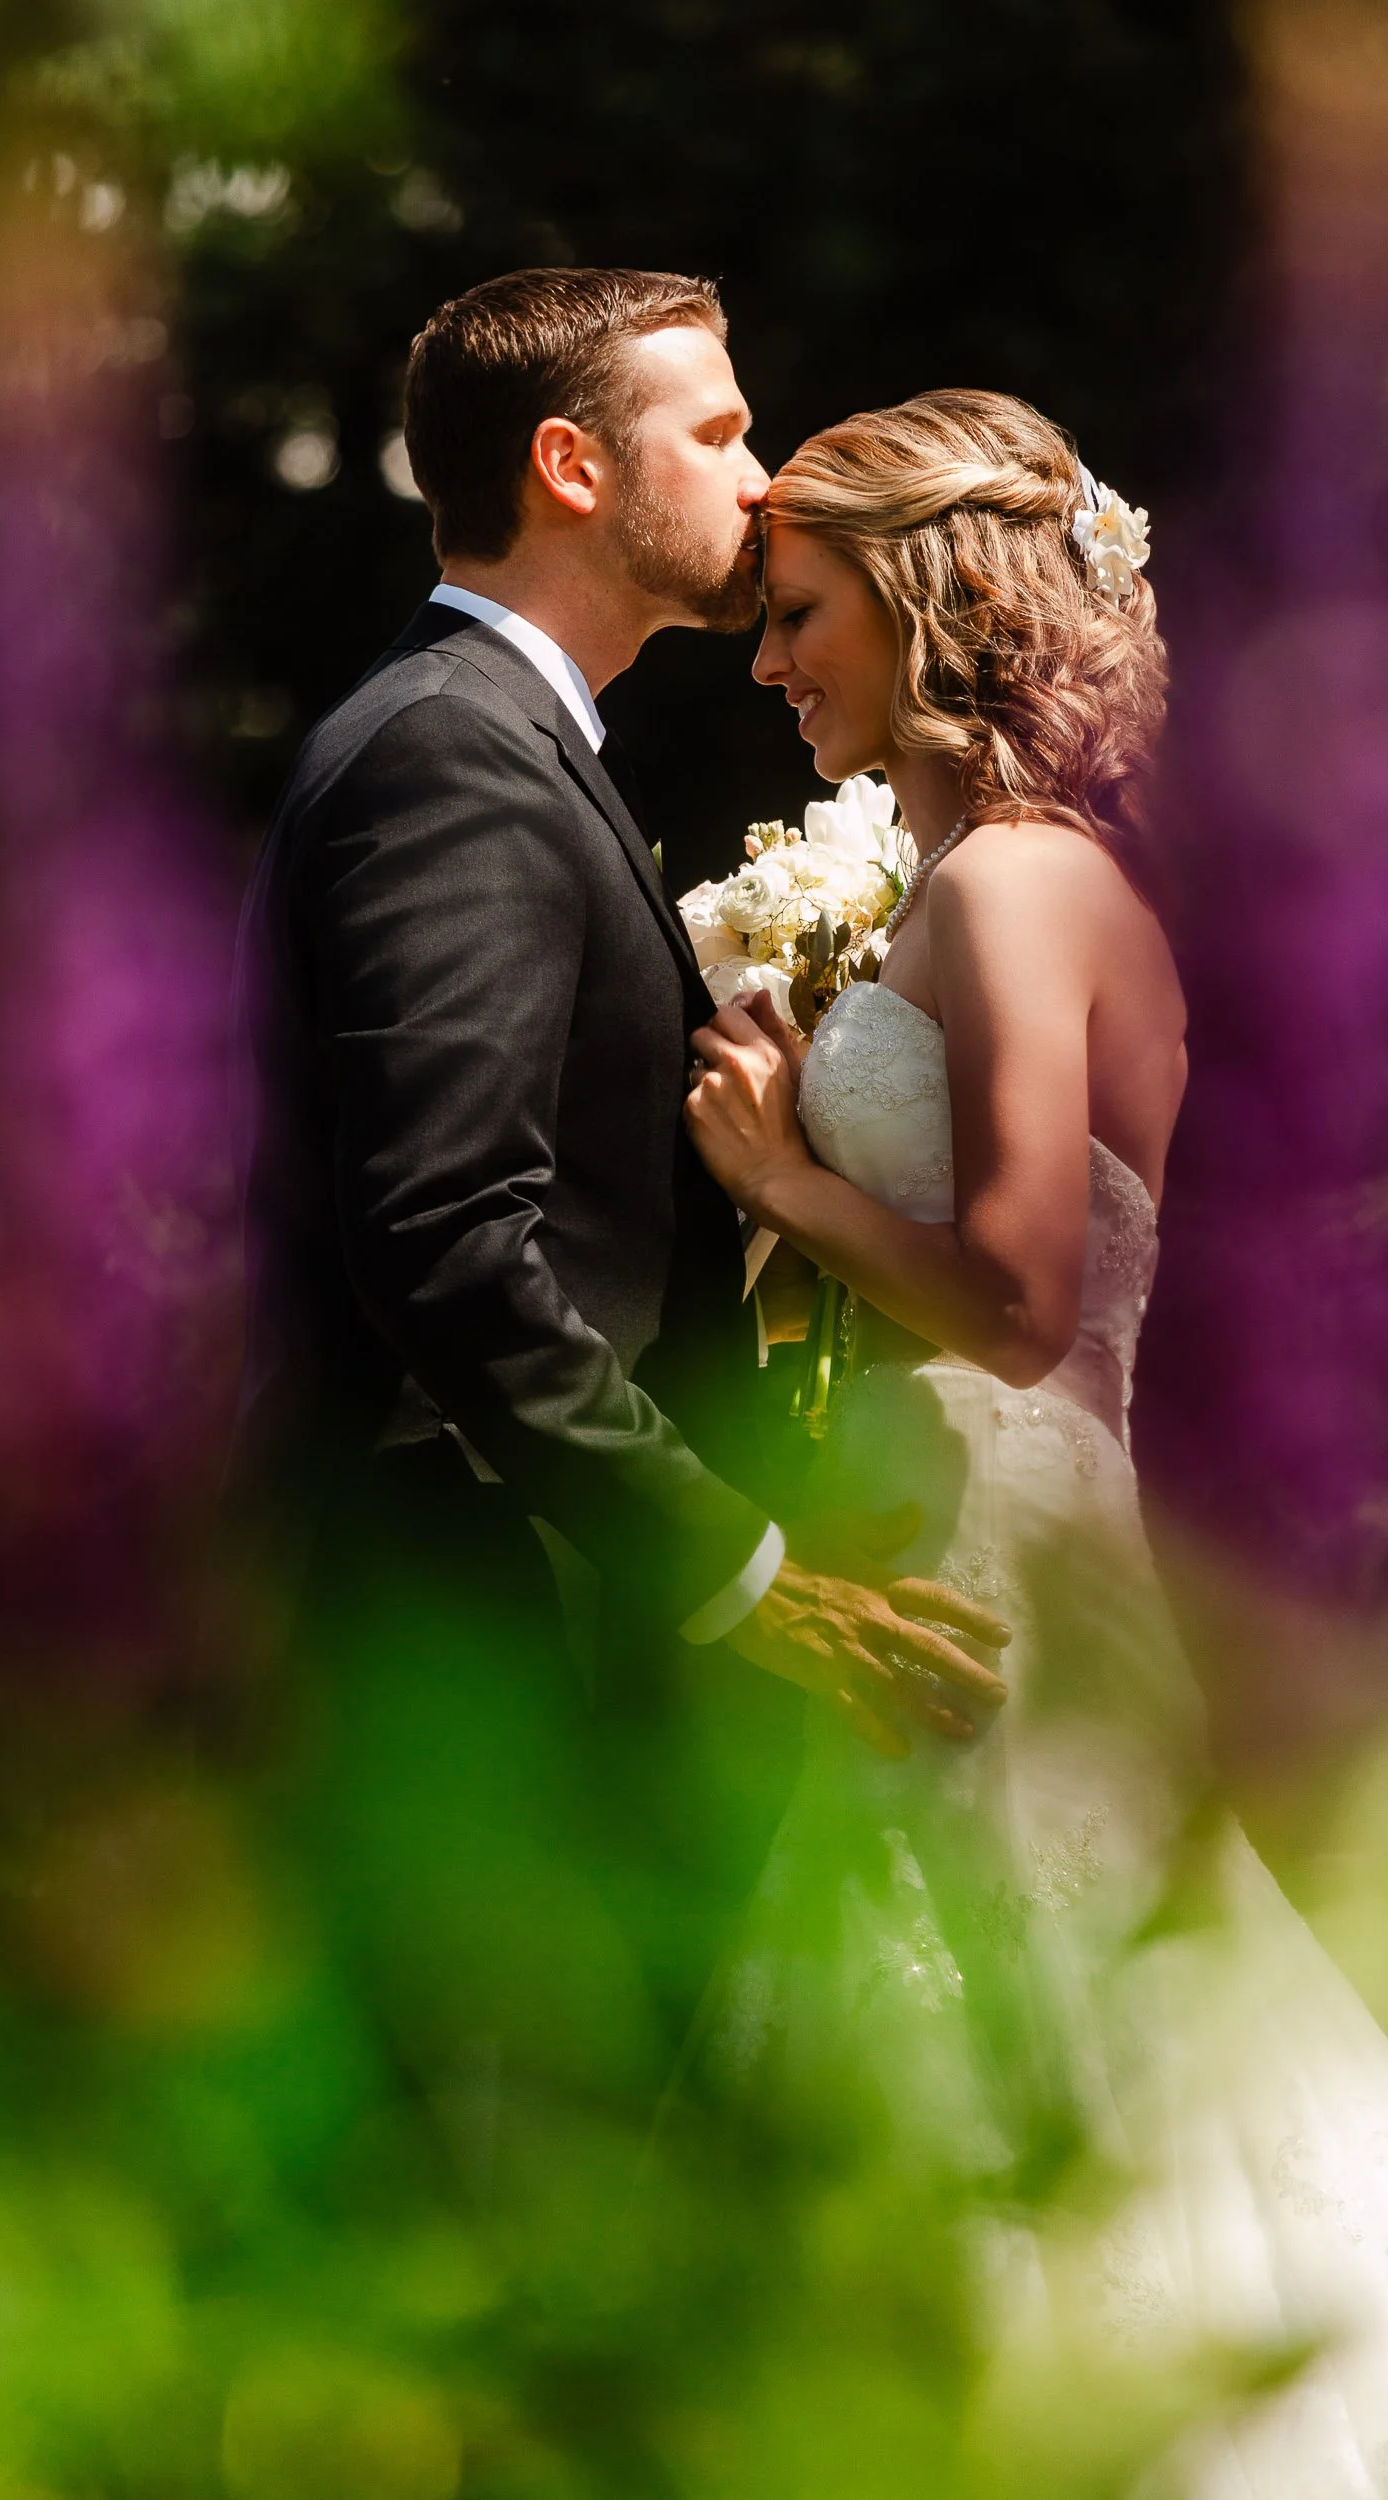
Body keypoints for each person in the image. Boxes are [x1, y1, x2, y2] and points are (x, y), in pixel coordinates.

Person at [684, 387, 1388, 2492]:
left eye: (796, 616)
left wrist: (779, 1177)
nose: (774, 662)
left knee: (1044, 2048)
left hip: (1001, 1533)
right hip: (979, 1507)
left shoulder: (1008, 890)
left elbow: (1016, 1292)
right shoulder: (993, 878)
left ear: (915, 598)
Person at [231, 274, 1006, 2149]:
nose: (760, 480)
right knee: (525, 2189)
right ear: (572, 466)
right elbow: (443, 1235)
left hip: (521, 1616)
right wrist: (736, 1576)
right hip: (495, 1628)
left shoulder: (505, 738)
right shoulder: (452, 754)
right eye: (718, 433)